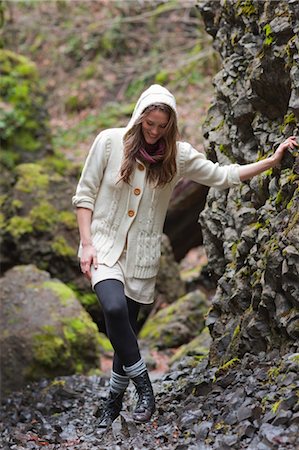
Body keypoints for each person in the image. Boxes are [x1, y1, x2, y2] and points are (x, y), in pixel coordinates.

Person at [72, 84, 297, 428]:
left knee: (126, 330)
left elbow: (223, 176)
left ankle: (113, 402)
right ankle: (146, 389)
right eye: (149, 124)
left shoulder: (178, 155)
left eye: (162, 126)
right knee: (114, 310)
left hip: (142, 257)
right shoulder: (109, 142)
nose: (154, 132)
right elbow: (84, 195)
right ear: (139, 117)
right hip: (102, 246)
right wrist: (86, 243)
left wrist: (273, 160)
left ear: (171, 125)